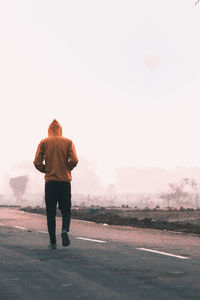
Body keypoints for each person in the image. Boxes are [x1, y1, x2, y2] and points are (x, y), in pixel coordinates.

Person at [33, 119, 78, 250]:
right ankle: (64, 230)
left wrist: (46, 170)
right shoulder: (68, 142)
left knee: (51, 212)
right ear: (60, 129)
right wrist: (67, 168)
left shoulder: (44, 142)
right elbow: (74, 159)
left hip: (50, 182)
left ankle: (53, 242)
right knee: (66, 210)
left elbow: (37, 162)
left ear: (49, 130)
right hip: (64, 182)